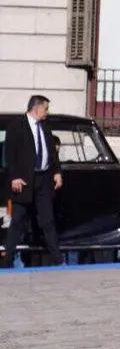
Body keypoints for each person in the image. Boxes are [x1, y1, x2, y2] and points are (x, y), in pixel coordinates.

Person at [1, 95, 61, 268]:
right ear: (36, 109)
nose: (47, 112)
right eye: (46, 109)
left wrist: (56, 172)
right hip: (24, 181)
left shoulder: (45, 127)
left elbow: (52, 153)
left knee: (48, 220)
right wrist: (14, 177)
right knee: (17, 220)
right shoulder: (16, 126)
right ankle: (6, 260)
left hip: (43, 180)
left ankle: (58, 259)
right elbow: (10, 155)